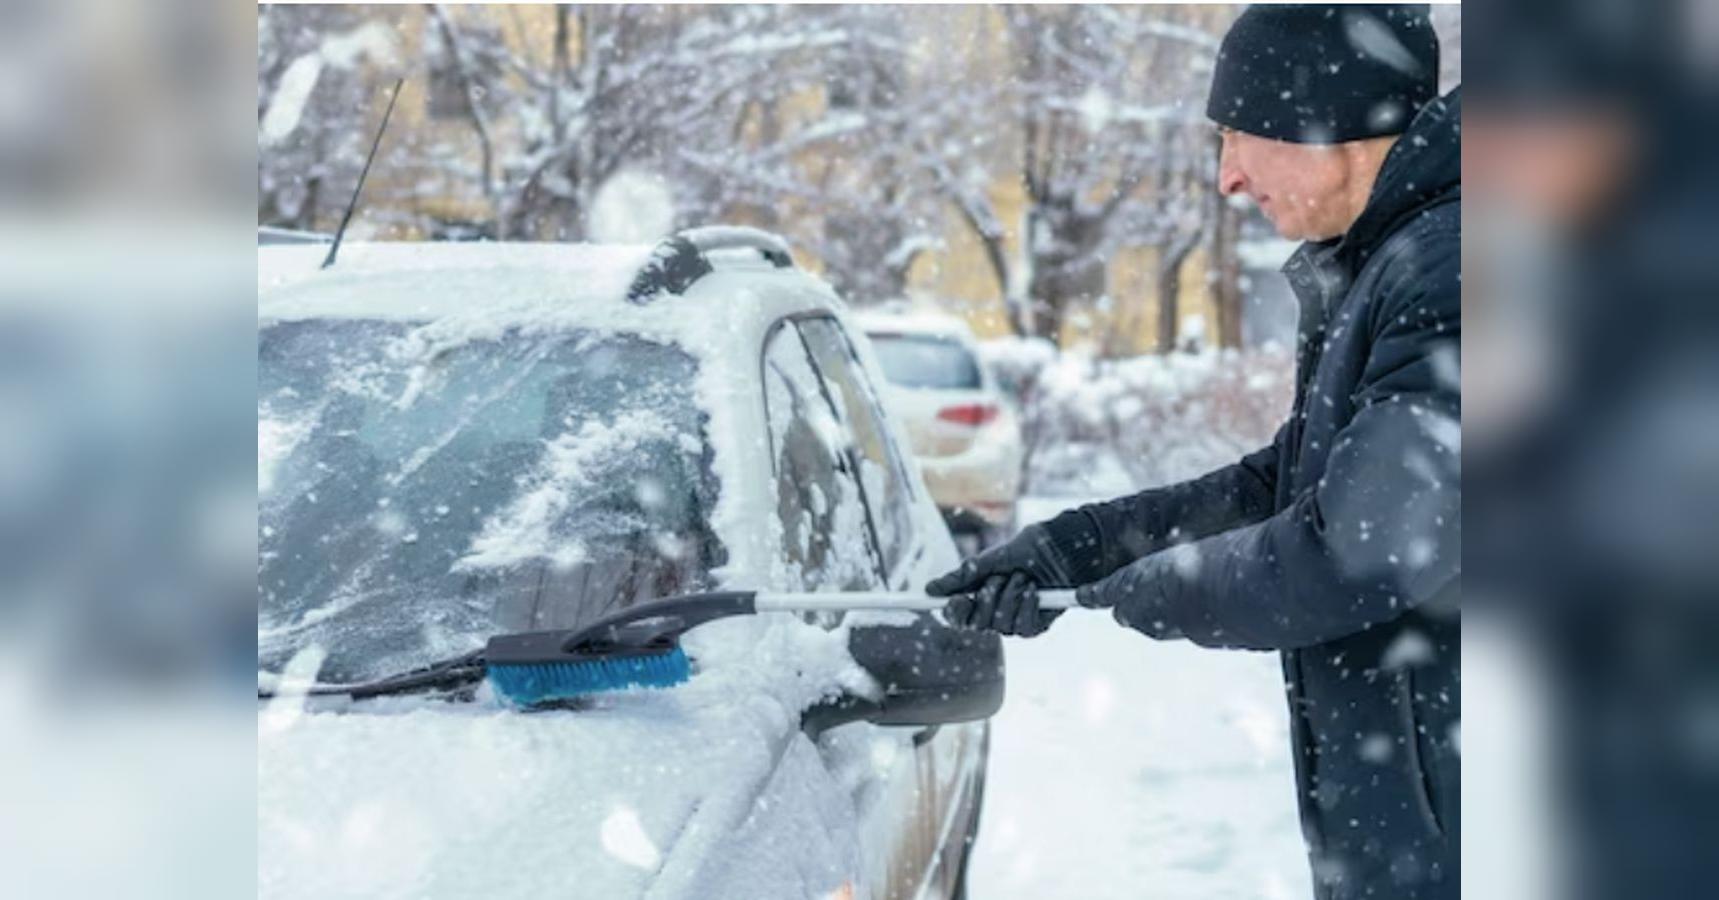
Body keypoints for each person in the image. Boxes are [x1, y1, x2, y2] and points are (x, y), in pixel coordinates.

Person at [926, 6, 1459, 898]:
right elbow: (1287, 484)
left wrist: (1144, 590)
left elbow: (1358, 546)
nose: (1228, 179)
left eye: (1238, 137)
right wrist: (1085, 545)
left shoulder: (1451, 267)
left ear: (1327, 121)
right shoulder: (1399, 258)